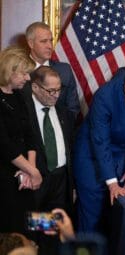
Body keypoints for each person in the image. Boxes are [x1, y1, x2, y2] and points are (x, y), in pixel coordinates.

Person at [73, 70, 125, 233]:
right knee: (91, 218)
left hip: (122, 161)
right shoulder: (105, 96)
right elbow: (100, 141)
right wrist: (112, 183)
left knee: (114, 218)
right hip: (92, 160)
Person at [21, 66, 75, 255]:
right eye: (50, 90)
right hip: (36, 180)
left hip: (59, 180)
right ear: (35, 87)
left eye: (59, 90)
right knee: (31, 226)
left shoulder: (62, 110)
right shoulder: (23, 109)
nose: (56, 95)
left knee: (52, 228)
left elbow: (69, 146)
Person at [0, 46, 42, 234]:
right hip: (4, 174)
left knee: (30, 226)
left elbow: (30, 136)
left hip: (23, 176)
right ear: (10, 70)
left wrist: (29, 171)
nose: (27, 78)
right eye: (24, 74)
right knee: (10, 229)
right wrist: (32, 171)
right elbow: (4, 145)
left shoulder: (20, 95)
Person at [25, 22, 80, 118]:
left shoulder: (64, 71)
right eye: (44, 41)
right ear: (31, 44)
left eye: (51, 41)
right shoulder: (19, 70)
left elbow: (73, 108)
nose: (50, 46)